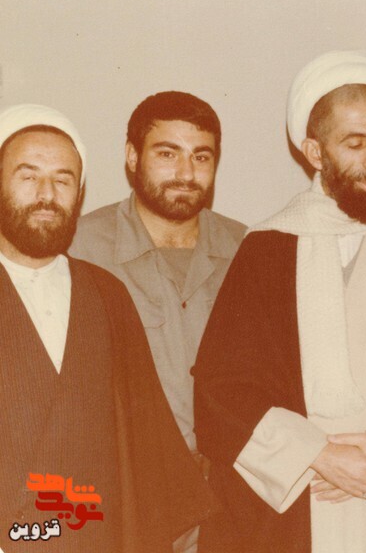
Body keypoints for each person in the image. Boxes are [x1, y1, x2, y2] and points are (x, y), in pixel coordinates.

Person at [193, 51, 366, 553]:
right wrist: (319, 455)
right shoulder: (265, 250)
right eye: (355, 143)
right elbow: (223, 390)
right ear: (314, 151)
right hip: (299, 493)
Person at [0, 103, 212, 553]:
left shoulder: (106, 293)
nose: (46, 194)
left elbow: (146, 444)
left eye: (63, 180)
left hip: (96, 535)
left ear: (79, 193)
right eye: (28, 176)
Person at [69, 91, 245, 553]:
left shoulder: (248, 250)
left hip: (230, 496)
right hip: (127, 494)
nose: (186, 173)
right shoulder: (80, 250)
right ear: (132, 157)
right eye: (168, 154)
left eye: (201, 156)